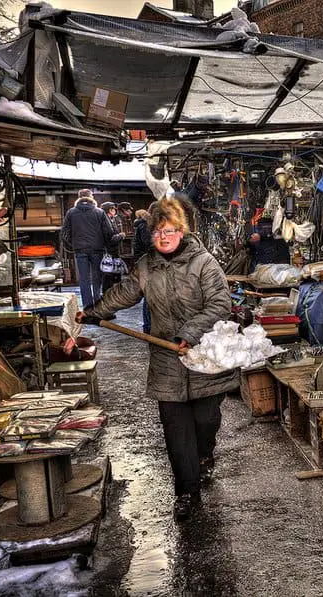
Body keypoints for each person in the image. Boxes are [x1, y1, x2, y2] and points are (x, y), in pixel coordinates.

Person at [78, 198, 236, 520]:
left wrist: (190, 333)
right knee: (176, 430)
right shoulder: (147, 266)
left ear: (180, 230)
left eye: (168, 231)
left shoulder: (204, 263)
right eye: (156, 233)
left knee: (206, 420)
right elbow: (125, 293)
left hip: (204, 355)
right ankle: (187, 491)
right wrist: (94, 312)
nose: (162, 238)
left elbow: (220, 305)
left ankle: (205, 455)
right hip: (166, 357)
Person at [61, 189, 122, 309]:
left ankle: (88, 307)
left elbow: (64, 233)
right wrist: (105, 243)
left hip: (80, 250)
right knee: (97, 279)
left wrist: (73, 244)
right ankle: (98, 306)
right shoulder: (99, 212)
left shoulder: (71, 212)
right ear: (91, 197)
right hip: (97, 250)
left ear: (79, 197)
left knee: (84, 279)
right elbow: (108, 232)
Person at [133, 209, 153, 333]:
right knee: (149, 294)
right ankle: (148, 326)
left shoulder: (142, 225)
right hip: (148, 263)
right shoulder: (145, 226)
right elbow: (149, 245)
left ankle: (149, 326)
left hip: (145, 261)